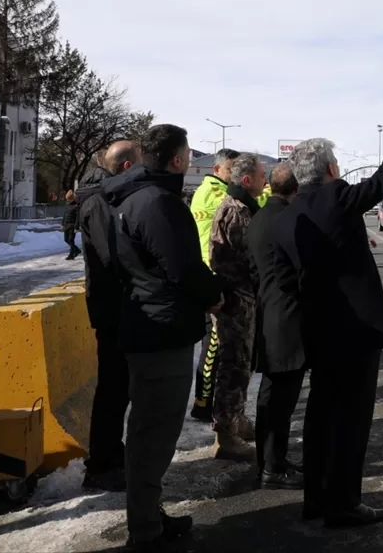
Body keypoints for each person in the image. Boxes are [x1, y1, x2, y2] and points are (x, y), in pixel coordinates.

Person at [276, 100, 383, 527]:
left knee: (320, 415)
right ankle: (343, 504)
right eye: (336, 163)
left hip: (317, 331)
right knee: (352, 421)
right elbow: (382, 181)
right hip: (354, 333)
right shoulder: (336, 197)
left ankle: (317, 499)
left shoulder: (288, 214)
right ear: (329, 169)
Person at [104, 124, 224, 550]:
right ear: (177, 159)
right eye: (188, 153)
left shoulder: (133, 198)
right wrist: (215, 296)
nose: (190, 158)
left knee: (148, 431)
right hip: (160, 332)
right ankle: (145, 531)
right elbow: (183, 267)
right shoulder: (157, 203)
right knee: (154, 434)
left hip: (149, 325)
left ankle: (148, 517)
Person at [77, 139, 141, 492]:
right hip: (111, 307)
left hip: (112, 305)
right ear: (126, 167)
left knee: (117, 387)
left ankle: (110, 455)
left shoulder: (101, 197)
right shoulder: (99, 202)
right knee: (113, 389)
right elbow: (111, 257)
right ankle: (102, 464)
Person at [248, 161, 304, 488]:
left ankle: (273, 461)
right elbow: (297, 272)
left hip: (268, 313)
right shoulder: (288, 220)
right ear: (296, 189)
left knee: (272, 398)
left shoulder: (259, 218)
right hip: (287, 320)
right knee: (280, 402)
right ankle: (272, 468)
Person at [208, 152, 266, 461]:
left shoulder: (244, 206)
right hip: (236, 300)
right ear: (246, 180)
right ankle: (225, 433)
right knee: (233, 367)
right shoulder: (236, 210)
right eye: (261, 175)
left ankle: (237, 418)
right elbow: (249, 257)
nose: (265, 180)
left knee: (243, 365)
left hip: (243, 298)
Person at [189, 148, 239, 422]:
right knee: (212, 346)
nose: (235, 174)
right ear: (217, 169)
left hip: (214, 275)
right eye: (232, 169)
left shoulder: (216, 190)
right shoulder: (213, 193)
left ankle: (209, 400)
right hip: (211, 276)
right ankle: (203, 403)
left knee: (218, 346)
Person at [62, 190, 82, 260]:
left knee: (71, 240)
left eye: (69, 199)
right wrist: (62, 224)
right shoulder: (67, 205)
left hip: (72, 225)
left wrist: (76, 226)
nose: (68, 200)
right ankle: (77, 250)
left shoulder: (76, 206)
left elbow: (77, 217)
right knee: (66, 239)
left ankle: (71, 255)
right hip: (66, 224)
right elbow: (64, 215)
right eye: (67, 199)